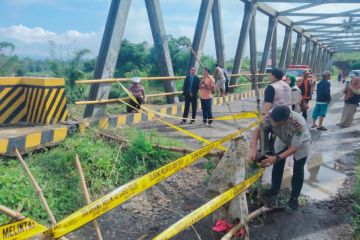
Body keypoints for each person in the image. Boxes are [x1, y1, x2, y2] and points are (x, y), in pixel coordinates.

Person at [250, 105, 311, 210]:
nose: (273, 124)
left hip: (301, 143)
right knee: (278, 165)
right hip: (282, 139)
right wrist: (253, 149)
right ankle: (274, 190)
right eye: (272, 121)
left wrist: (276, 158)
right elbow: (257, 130)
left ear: (286, 120)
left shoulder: (298, 123)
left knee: (298, 168)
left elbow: (294, 148)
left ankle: (294, 197)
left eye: (276, 123)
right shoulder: (271, 115)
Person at [262, 68, 291, 153]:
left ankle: (265, 150)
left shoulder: (272, 87)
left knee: (263, 128)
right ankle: (273, 149)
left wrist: (263, 115)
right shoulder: (287, 86)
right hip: (287, 114)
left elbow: (268, 104)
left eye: (270, 75)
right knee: (276, 131)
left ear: (273, 76)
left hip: (275, 115)